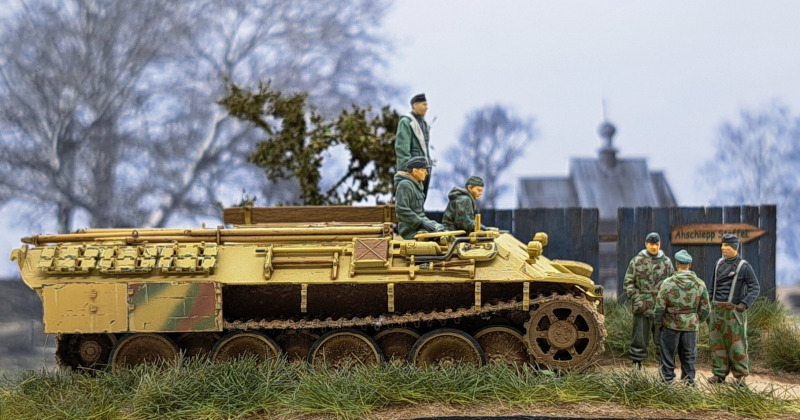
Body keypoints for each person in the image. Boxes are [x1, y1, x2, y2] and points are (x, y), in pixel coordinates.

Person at [707, 233, 760, 385]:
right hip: (716, 310)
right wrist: (710, 303)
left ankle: (741, 377)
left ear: (734, 248)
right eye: (722, 245)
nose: (723, 248)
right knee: (717, 344)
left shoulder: (744, 266)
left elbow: (754, 287)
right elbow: (712, 286)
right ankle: (719, 374)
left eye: (726, 246)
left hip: (733, 312)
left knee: (737, 345)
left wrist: (744, 304)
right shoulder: (719, 264)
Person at [654, 250, 710, 385]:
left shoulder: (668, 283)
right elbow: (705, 308)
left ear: (677, 264)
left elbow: (659, 307)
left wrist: (658, 321)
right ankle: (689, 381)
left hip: (670, 324)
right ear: (689, 265)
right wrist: (696, 320)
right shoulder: (700, 284)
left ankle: (666, 380)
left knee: (667, 354)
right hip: (691, 325)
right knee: (689, 354)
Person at [623, 232, 674, 368]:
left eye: (656, 244)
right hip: (642, 306)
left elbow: (672, 284)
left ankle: (664, 364)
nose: (654, 247)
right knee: (639, 337)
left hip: (660, 307)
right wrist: (636, 298)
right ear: (646, 244)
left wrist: (669, 301)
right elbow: (628, 282)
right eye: (651, 244)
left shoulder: (666, 263)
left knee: (662, 337)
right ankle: (637, 362)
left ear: (660, 244)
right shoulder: (636, 261)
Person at [394, 156, 444, 239]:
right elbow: (401, 209)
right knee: (438, 236)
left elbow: (419, 213)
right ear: (415, 171)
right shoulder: (405, 185)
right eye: (423, 170)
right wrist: (421, 222)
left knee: (441, 229)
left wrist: (426, 223)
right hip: (410, 228)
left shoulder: (417, 186)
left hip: (420, 224)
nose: (426, 173)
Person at [395, 93, 432, 200]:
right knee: (410, 199)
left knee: (420, 200)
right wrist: (406, 172)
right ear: (415, 105)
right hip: (413, 170)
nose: (427, 107)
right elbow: (402, 149)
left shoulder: (424, 124)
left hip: (424, 168)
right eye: (424, 104)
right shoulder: (406, 122)